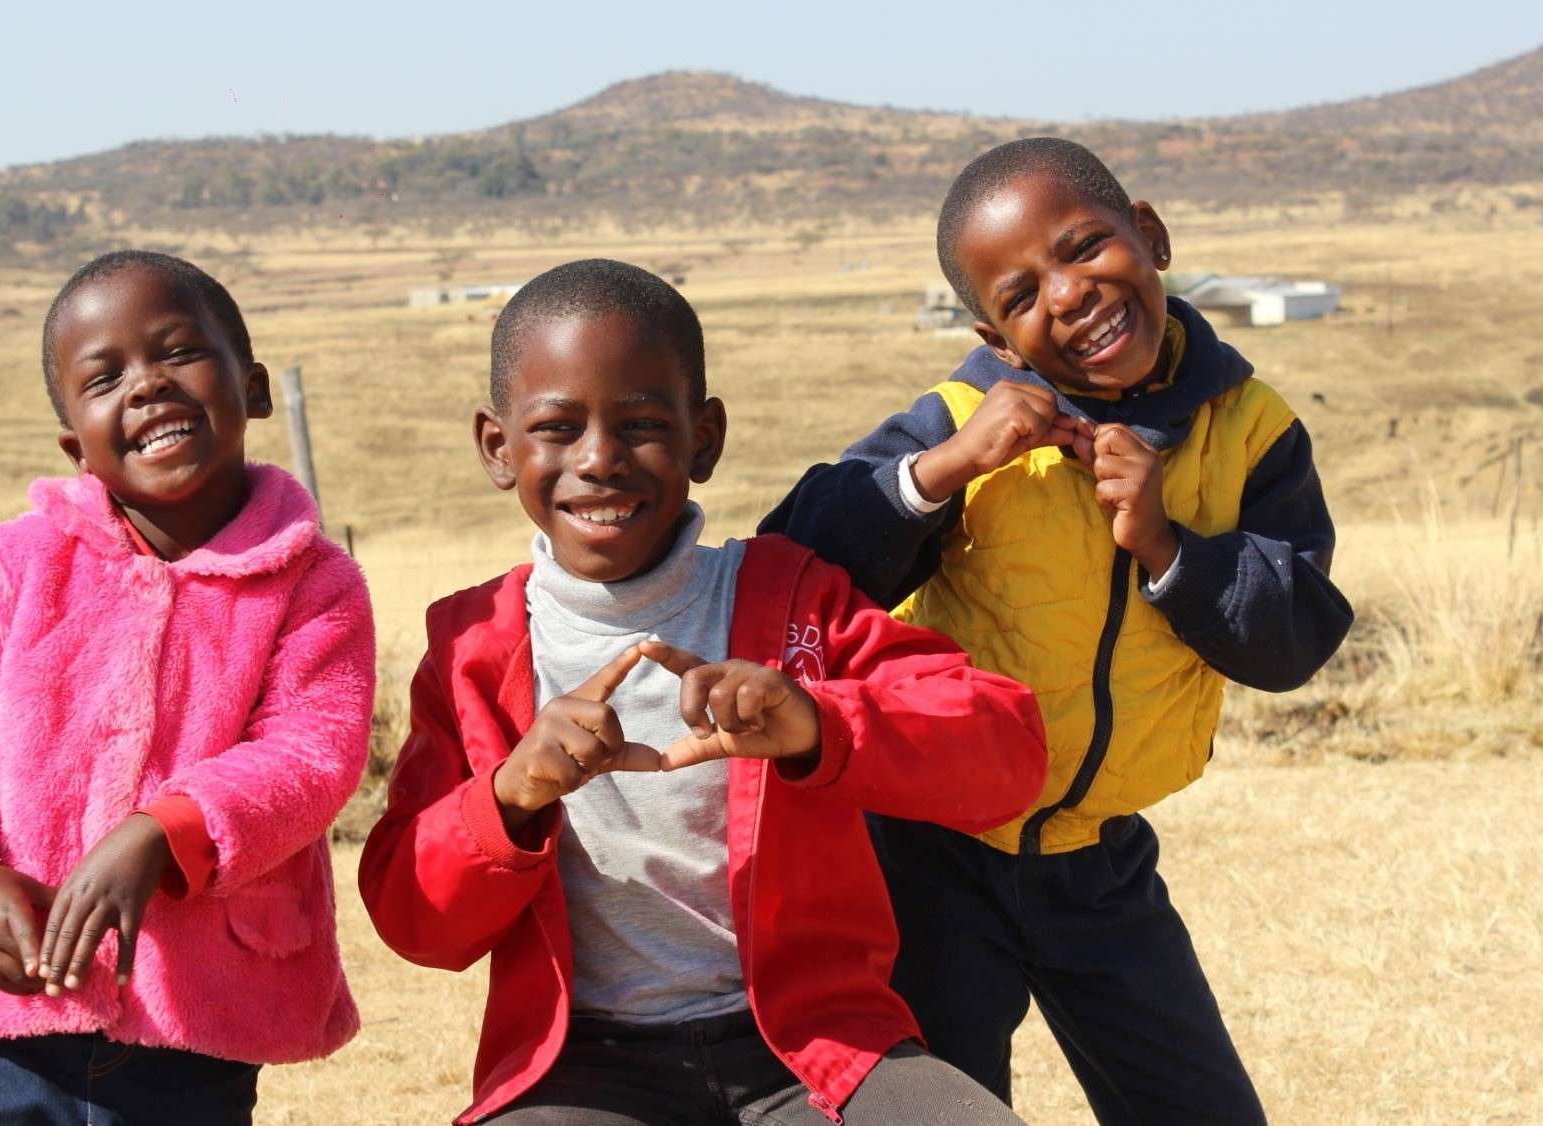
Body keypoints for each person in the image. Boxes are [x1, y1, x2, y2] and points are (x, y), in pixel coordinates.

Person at [359, 258, 1048, 1125]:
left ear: (705, 437)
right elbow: (414, 923)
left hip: (815, 1050)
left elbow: (1006, 755)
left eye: (642, 424)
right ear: (499, 448)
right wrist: (510, 795)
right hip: (583, 1068)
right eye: (557, 428)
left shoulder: (795, 602)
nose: (600, 460)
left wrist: (815, 724)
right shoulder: (469, 650)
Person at [761, 138, 1355, 1124]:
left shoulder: (1251, 429)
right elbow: (793, 564)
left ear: (1152, 236)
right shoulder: (963, 422)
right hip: (927, 859)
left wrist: (1168, 544)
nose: (1070, 294)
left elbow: (1293, 637)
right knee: (945, 1109)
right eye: (1023, 294)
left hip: (1102, 867)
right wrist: (946, 467)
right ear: (995, 339)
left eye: (1085, 248)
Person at [0, 250, 375, 1125]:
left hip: (196, 1020)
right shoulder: (12, 567)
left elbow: (312, 754)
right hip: (4, 1018)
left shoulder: (313, 584)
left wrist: (160, 834)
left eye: (178, 353)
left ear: (252, 389)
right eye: (105, 378)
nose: (147, 387)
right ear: (76, 444)